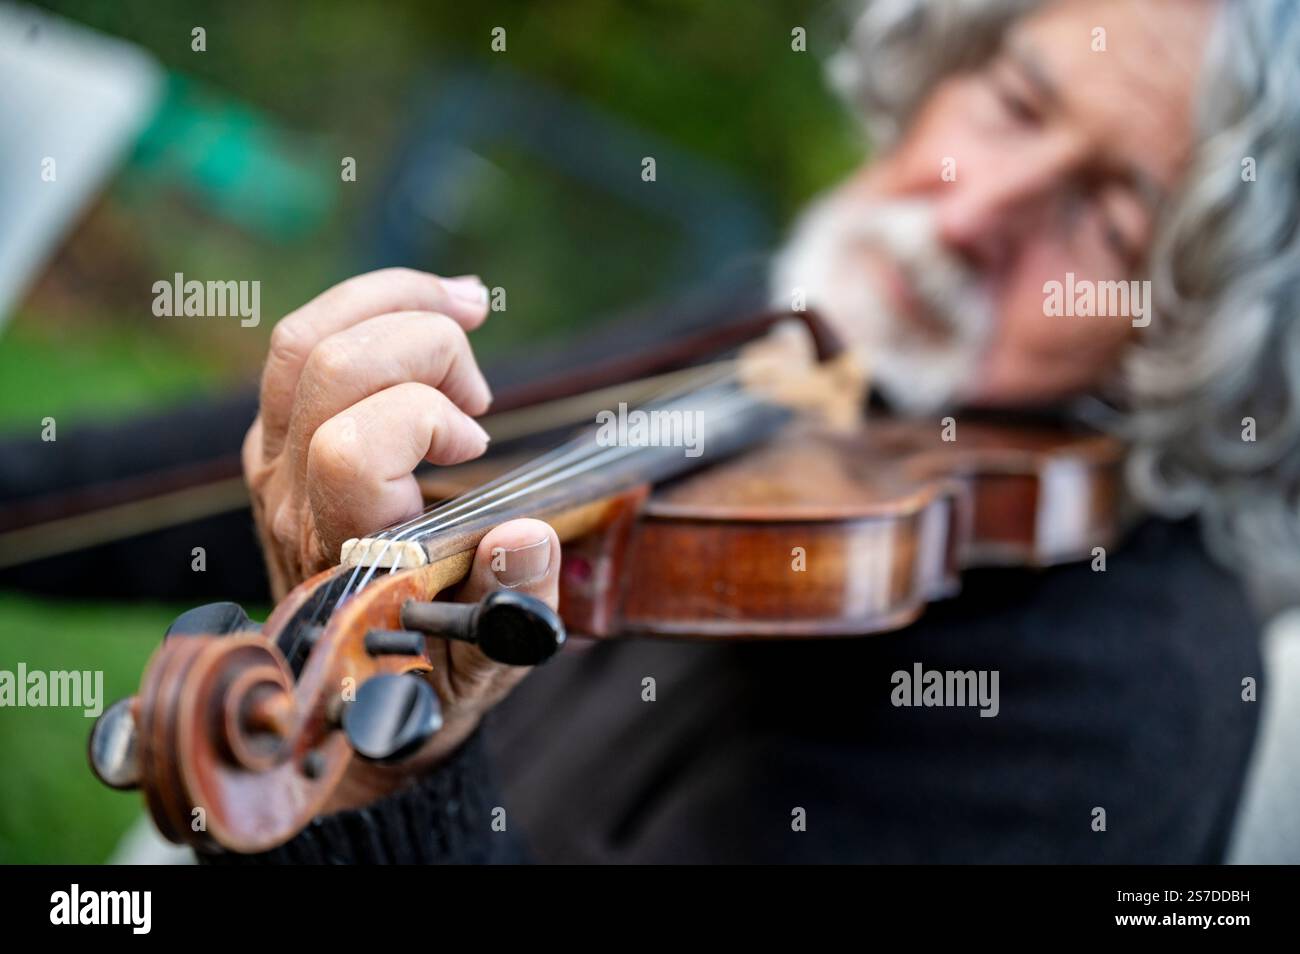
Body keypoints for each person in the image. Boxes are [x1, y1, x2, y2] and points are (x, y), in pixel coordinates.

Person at [218, 0, 1298, 863]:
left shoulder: (1133, 696)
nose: (969, 215)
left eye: (1107, 223)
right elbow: (333, 468)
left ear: (1209, 331)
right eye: (1013, 102)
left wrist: (389, 784)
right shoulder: (802, 339)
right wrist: (53, 491)